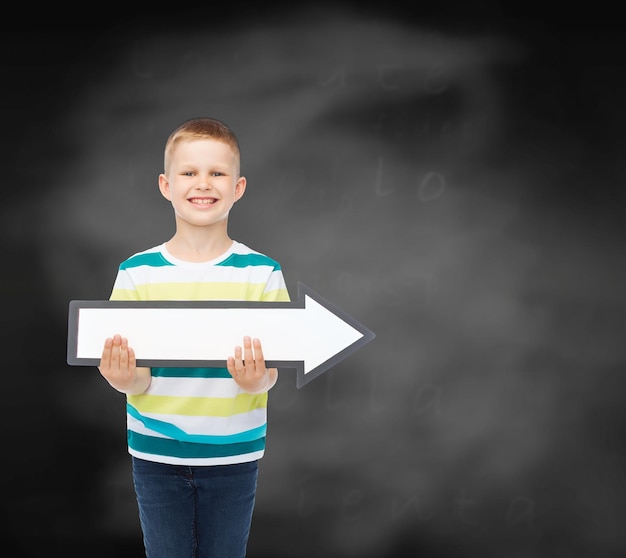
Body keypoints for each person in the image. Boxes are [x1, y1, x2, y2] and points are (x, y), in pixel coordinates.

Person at [97, 117, 290, 558]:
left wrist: (256, 381)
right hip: (156, 455)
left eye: (217, 173)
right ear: (166, 184)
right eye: (189, 172)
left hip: (234, 454)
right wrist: (123, 379)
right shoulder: (136, 273)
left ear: (238, 187)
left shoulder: (262, 273)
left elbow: (273, 372)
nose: (203, 184)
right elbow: (137, 377)